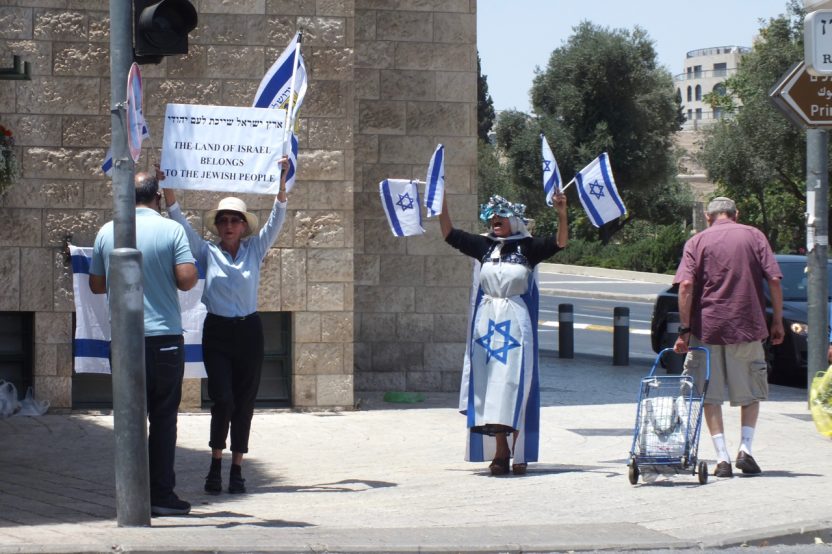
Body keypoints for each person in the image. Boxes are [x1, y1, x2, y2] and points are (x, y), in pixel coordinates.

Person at [163, 156, 289, 495]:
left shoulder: (255, 249)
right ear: (217, 226)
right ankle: (215, 464)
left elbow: (278, 219)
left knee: (245, 401)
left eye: (235, 220)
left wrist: (281, 182)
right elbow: (181, 227)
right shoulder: (206, 252)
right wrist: (168, 188)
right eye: (224, 220)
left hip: (249, 331)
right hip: (217, 332)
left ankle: (237, 468)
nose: (229, 225)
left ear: (244, 226)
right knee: (223, 399)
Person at [89, 171, 198, 516]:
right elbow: (185, 281)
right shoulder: (171, 230)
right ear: (158, 198)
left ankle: (130, 494)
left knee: (128, 419)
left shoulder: (108, 231)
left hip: (124, 340)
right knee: (163, 418)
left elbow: (95, 284)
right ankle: (161, 495)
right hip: (164, 338)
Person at [439, 192, 568, 476]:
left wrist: (561, 213)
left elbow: (560, 242)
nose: (495, 220)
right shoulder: (484, 246)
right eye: (492, 216)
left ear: (513, 220)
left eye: (501, 216)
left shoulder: (528, 247)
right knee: (491, 386)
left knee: (515, 384)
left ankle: (519, 450)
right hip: (486, 324)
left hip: (515, 324)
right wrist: (441, 202)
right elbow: (449, 234)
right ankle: (500, 451)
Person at [673, 196, 784, 478]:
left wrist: (684, 330)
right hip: (747, 326)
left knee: (710, 395)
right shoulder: (754, 236)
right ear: (736, 214)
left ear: (709, 217)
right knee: (750, 390)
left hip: (706, 328)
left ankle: (721, 457)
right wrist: (777, 321)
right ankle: (745, 450)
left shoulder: (696, 242)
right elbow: (773, 279)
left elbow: (685, 285)